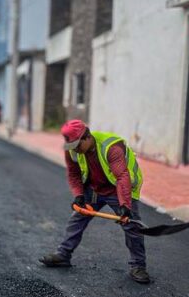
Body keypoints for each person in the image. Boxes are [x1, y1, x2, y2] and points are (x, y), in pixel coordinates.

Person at [39, 119, 151, 284]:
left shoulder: (111, 147)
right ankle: (63, 255)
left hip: (119, 188)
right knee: (77, 218)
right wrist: (78, 195)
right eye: (72, 146)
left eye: (78, 145)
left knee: (132, 226)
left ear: (87, 137)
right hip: (95, 188)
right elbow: (73, 173)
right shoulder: (72, 150)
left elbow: (122, 177)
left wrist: (125, 206)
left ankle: (138, 266)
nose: (75, 150)